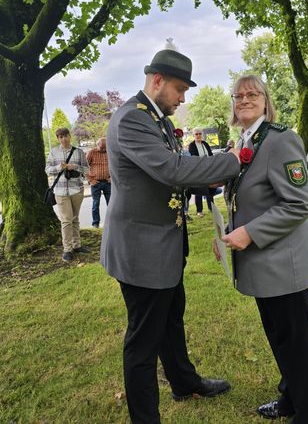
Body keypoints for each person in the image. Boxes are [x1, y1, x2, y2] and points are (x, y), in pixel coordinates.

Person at [100, 46, 240, 424]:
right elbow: (172, 168)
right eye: (180, 89)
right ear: (157, 81)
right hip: (140, 251)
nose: (183, 98)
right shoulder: (132, 118)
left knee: (171, 317)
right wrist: (235, 160)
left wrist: (206, 178)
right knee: (143, 341)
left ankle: (184, 382)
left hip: (163, 245)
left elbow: (174, 176)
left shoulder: (156, 118)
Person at [215, 75, 308, 423]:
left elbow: (299, 203)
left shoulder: (281, 140)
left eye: (253, 93)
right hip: (263, 266)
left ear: (265, 101)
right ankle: (290, 400)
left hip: (285, 266)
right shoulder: (245, 140)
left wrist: (250, 232)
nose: (244, 99)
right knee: (280, 340)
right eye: (238, 95)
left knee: (297, 347)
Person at [45, 128, 89, 261]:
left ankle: (77, 245)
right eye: (60, 137)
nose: (63, 139)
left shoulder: (79, 152)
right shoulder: (53, 152)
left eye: (65, 136)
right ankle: (67, 249)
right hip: (61, 191)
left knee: (75, 218)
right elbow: (47, 170)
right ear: (58, 139)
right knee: (66, 220)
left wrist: (74, 167)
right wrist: (59, 167)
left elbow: (86, 169)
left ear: (70, 136)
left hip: (77, 190)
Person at [188, 128, 217, 216]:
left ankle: (211, 208)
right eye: (196, 134)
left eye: (200, 134)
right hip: (198, 170)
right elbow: (194, 157)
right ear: (193, 135)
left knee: (210, 189)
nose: (198, 135)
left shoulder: (205, 144)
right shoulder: (192, 145)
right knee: (199, 190)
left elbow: (211, 155)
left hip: (209, 169)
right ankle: (199, 211)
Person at [86, 137, 111, 228]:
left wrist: (112, 177)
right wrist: (90, 180)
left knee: (111, 203)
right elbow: (84, 167)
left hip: (108, 182)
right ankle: (95, 223)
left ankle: (111, 222)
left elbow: (114, 166)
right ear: (97, 145)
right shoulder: (91, 153)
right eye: (102, 148)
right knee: (96, 204)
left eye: (105, 147)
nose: (104, 149)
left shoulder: (109, 152)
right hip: (96, 183)